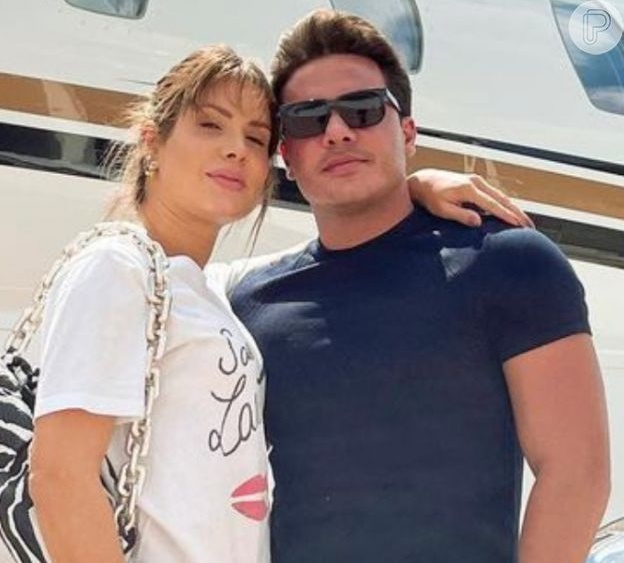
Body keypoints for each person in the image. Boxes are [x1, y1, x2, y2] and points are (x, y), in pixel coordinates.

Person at [26, 43, 525, 563]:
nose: (236, 150)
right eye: (210, 125)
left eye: (256, 138)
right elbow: (60, 476)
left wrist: (408, 186)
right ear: (152, 141)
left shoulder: (208, 290)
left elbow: (331, 258)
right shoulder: (117, 268)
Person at [228, 10, 611, 563]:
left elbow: (576, 471)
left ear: (408, 132)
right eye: (308, 120)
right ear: (286, 155)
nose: (337, 131)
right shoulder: (248, 307)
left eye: (362, 109)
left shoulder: (508, 264)